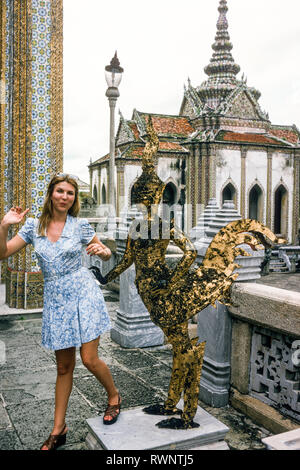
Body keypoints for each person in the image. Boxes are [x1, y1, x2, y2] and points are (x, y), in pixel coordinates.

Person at [0, 174, 121, 450]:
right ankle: (59, 429)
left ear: (74, 199)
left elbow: (103, 252)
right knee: (64, 366)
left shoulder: (80, 225)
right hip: (56, 300)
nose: (65, 197)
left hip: (83, 294)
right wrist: (5, 225)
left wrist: (101, 251)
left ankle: (114, 396)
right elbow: (3, 252)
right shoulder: (32, 226)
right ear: (51, 194)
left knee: (89, 359)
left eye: (70, 193)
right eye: (60, 191)